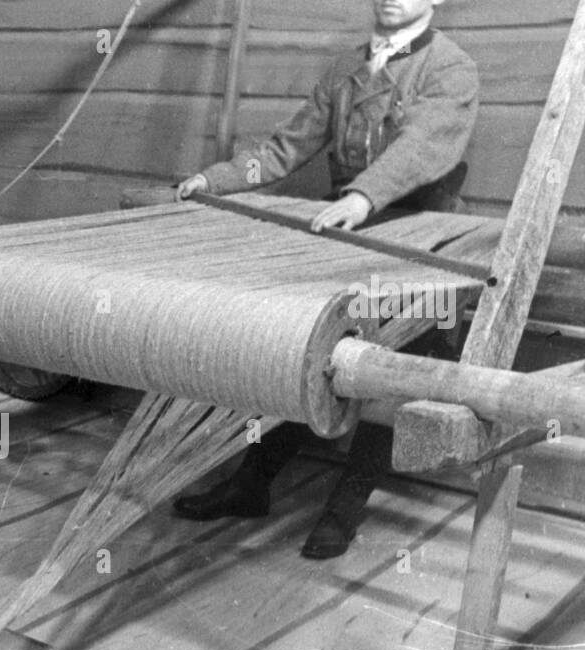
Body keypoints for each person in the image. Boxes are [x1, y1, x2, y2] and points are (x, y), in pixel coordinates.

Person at [171, 0, 479, 558]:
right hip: (348, 233)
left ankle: (344, 509)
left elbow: (425, 145)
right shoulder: (345, 70)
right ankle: (251, 484)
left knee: (389, 375)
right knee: (304, 352)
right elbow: (285, 147)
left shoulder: (450, 68)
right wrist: (214, 180)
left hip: (421, 243)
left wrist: (362, 197)